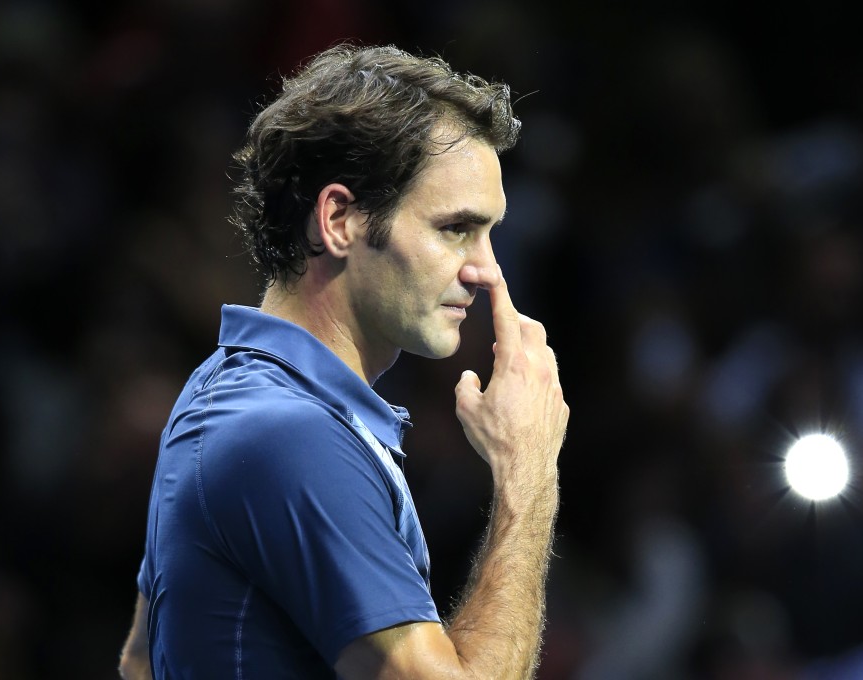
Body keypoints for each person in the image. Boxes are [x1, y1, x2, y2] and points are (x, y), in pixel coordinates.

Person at [118, 43, 568, 680]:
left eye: (489, 233)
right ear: (338, 220)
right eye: (454, 229)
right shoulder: (288, 435)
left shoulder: (225, 395)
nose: (486, 271)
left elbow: (141, 658)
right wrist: (528, 471)